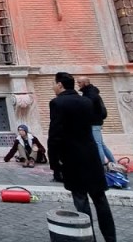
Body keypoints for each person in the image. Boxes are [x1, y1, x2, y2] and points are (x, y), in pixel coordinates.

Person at [49, 71, 117, 242]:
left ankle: (88, 237)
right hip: (92, 156)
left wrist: (55, 163)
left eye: (54, 84)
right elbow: (100, 117)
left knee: (80, 200)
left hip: (72, 158)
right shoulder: (87, 101)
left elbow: (55, 134)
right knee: (100, 199)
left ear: (60, 85)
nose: (53, 87)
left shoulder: (57, 103)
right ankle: (110, 238)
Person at [77, 76, 116, 166]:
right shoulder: (90, 93)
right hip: (96, 121)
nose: (78, 84)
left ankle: (102, 165)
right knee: (101, 144)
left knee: (97, 144)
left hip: (94, 122)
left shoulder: (90, 94)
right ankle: (114, 162)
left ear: (85, 83)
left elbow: (90, 109)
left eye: (79, 82)